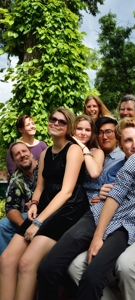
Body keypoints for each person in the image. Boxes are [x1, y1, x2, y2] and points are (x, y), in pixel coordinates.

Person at [36, 117, 135, 300]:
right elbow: (116, 194)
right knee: (48, 267)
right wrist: (98, 235)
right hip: (97, 217)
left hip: (127, 227)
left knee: (93, 277)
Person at [0, 107, 90, 300]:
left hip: (68, 209)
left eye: (62, 121)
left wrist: (38, 222)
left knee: (27, 262)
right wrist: (33, 204)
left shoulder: (73, 150)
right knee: (6, 260)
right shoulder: (44, 153)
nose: (56, 123)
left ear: (69, 127)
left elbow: (66, 192)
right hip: (45, 205)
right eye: (53, 119)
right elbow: (40, 188)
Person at [0, 142, 38, 254]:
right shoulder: (16, 179)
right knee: (3, 225)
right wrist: (26, 227)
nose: (22, 155)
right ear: (13, 161)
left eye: (24, 151)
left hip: (51, 209)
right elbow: (10, 208)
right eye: (17, 154)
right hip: (31, 217)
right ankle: (7, 265)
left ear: (31, 153)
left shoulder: (45, 166)